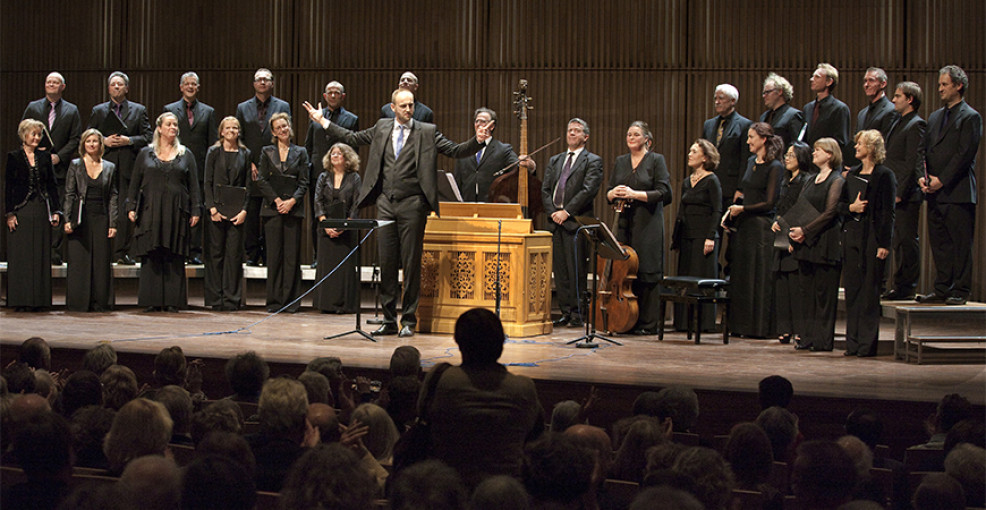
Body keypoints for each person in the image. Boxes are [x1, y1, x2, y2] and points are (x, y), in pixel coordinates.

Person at [303, 88, 485, 337]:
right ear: (393, 108)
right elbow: (352, 137)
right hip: (386, 204)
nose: (408, 110)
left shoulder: (427, 131)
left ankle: (408, 320)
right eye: (403, 106)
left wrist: (477, 140)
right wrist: (323, 121)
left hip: (413, 204)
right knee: (387, 263)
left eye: (411, 105)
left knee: (410, 264)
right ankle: (389, 320)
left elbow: (455, 150)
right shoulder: (382, 127)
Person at [423, 308, 544, 488]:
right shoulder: (523, 388)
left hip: (451, 490)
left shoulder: (441, 379)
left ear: (458, 342)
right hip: (507, 490)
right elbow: (536, 436)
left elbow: (424, 420)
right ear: (501, 343)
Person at [917, 65, 981, 306]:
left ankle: (961, 289)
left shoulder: (970, 117)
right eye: (940, 84)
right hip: (934, 191)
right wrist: (923, 177)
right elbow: (922, 150)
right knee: (940, 243)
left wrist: (941, 180)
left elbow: (964, 155)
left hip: (958, 192)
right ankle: (942, 287)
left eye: (944, 84)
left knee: (960, 243)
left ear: (958, 85)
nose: (940, 89)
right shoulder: (934, 117)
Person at [126, 112, 202, 312]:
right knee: (152, 252)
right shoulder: (145, 153)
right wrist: (131, 206)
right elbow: (135, 183)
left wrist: (196, 209)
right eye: (169, 124)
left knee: (174, 253)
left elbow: (194, 185)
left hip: (176, 210)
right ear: (159, 128)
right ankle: (152, 300)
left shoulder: (185, 154)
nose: (173, 128)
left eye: (175, 124)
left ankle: (172, 301)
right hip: (150, 209)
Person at [606, 121, 672, 334]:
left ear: (647, 140)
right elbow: (609, 191)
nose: (631, 138)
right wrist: (613, 193)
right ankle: (625, 319)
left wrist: (635, 194)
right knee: (623, 271)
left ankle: (648, 323)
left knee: (646, 270)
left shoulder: (656, 160)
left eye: (636, 134)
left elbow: (665, 193)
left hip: (648, 223)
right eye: (629, 134)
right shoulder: (621, 161)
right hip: (623, 222)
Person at [542, 118, 604, 328]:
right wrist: (553, 212)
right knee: (560, 272)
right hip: (555, 222)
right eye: (570, 130)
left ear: (586, 137)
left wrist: (566, 212)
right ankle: (565, 312)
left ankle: (578, 313)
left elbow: (588, 190)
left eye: (577, 131)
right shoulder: (555, 160)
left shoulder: (592, 161)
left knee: (575, 269)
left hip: (575, 223)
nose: (571, 133)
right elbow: (546, 189)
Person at [87, 71, 153, 265]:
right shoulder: (99, 110)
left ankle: (122, 252)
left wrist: (129, 140)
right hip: (102, 166)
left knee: (125, 210)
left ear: (127, 88)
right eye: (113, 84)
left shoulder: (138, 110)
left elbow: (148, 137)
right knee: (102, 207)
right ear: (108, 88)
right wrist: (103, 140)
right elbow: (88, 135)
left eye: (120, 84)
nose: (116, 87)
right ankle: (101, 251)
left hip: (128, 167)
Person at [725, 122, 784, 338]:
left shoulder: (775, 166)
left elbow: (770, 202)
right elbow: (746, 192)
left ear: (763, 139)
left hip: (761, 227)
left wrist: (743, 208)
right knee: (743, 276)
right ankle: (741, 326)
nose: (748, 141)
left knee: (758, 276)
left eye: (751, 137)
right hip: (745, 226)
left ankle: (759, 328)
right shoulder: (751, 162)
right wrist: (734, 211)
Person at [786, 138, 845, 352]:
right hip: (806, 244)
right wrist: (793, 233)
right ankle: (807, 337)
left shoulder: (836, 180)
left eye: (818, 150)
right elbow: (801, 206)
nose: (814, 153)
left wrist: (805, 231)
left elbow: (830, 212)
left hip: (825, 242)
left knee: (824, 295)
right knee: (807, 294)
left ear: (830, 154)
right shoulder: (811, 179)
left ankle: (822, 340)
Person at [841, 130, 895, 357]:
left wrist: (884, 243)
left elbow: (887, 212)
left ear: (872, 148)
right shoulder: (852, 174)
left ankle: (866, 344)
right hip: (852, 235)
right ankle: (852, 343)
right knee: (853, 290)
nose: (856, 147)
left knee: (869, 291)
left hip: (873, 236)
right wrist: (851, 208)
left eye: (860, 144)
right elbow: (840, 206)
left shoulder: (885, 175)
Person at [21, 71, 82, 266]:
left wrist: (59, 157)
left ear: (62, 87)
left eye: (55, 82)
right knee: (37, 208)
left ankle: (54, 252)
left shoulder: (71, 110)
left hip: (59, 168)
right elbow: (23, 131)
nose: (51, 84)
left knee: (58, 209)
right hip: (36, 167)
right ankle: (34, 250)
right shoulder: (33, 107)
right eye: (49, 82)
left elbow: (75, 138)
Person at [235, 68, 291, 267]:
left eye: (266, 79)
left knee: (271, 212)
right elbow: (239, 138)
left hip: (273, 166)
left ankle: (269, 254)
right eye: (259, 79)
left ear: (272, 83)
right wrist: (249, 161)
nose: (262, 82)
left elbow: (285, 135)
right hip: (250, 166)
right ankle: (251, 253)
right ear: (254, 84)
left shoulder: (282, 106)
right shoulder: (243, 108)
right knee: (250, 211)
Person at [6, 119, 62, 311]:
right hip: (21, 210)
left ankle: (39, 300)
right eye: (33, 134)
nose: (37, 138)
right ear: (24, 135)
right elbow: (8, 188)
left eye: (39, 134)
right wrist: (10, 214)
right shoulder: (14, 157)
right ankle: (20, 300)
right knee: (21, 255)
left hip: (40, 209)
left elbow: (52, 186)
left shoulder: (45, 157)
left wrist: (56, 211)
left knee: (39, 253)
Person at [256, 112, 309, 313]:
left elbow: (304, 181)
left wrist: (291, 201)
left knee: (291, 257)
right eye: (278, 128)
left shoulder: (301, 152)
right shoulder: (266, 151)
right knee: (274, 256)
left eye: (284, 126)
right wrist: (278, 201)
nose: (282, 130)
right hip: (273, 209)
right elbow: (261, 179)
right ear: (273, 132)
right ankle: (274, 301)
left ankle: (291, 302)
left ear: (289, 127)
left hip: (293, 210)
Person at [163, 71, 218, 265]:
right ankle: (176, 249)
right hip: (175, 168)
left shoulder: (208, 112)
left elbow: (212, 144)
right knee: (176, 210)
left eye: (193, 84)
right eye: (187, 83)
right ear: (181, 87)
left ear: (198, 87)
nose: (190, 87)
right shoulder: (169, 109)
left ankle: (194, 251)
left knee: (197, 210)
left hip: (200, 170)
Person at [304, 80, 358, 267]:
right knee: (317, 214)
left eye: (337, 92)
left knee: (343, 213)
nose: (333, 95)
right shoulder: (315, 117)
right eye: (330, 92)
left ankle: (341, 255)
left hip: (343, 175)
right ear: (325, 96)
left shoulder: (351, 119)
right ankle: (318, 256)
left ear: (343, 96)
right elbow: (309, 146)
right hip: (318, 173)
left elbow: (353, 147)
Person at [63, 128, 118, 312]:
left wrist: (113, 223)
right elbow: (70, 193)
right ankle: (79, 302)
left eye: (95, 141)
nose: (92, 144)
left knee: (101, 261)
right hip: (81, 217)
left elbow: (113, 196)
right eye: (88, 141)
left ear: (101, 144)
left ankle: (99, 302)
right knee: (80, 261)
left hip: (101, 217)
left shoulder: (109, 167)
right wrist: (67, 219)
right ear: (83, 144)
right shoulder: (76, 165)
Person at [882, 82, 927, 301]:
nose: (893, 99)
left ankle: (907, 285)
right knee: (897, 240)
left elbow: (912, 161)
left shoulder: (916, 124)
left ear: (910, 99)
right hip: (895, 190)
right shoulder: (898, 122)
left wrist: (900, 191)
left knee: (907, 239)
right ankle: (900, 283)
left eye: (898, 96)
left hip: (906, 194)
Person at [672, 139, 721, 333]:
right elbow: (681, 211)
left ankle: (704, 323)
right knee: (686, 279)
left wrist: (711, 236)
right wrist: (677, 238)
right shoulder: (687, 181)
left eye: (694, 152)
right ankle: (684, 323)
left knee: (702, 279)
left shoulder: (712, 180)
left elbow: (717, 210)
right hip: (687, 236)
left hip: (704, 237)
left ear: (705, 157)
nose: (689, 154)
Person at [203, 116, 252, 311]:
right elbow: (207, 182)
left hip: (237, 212)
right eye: (228, 128)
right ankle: (216, 298)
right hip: (217, 211)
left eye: (235, 128)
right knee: (215, 255)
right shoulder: (213, 152)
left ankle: (232, 299)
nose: (232, 131)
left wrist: (244, 210)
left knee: (233, 256)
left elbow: (248, 185)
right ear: (221, 132)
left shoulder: (245, 153)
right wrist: (212, 208)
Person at [770, 142, 812, 344]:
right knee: (781, 285)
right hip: (781, 236)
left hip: (795, 235)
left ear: (801, 158)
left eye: (791, 155)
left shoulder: (806, 181)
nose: (787, 158)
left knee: (796, 287)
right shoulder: (786, 181)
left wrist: (790, 232)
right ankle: (784, 328)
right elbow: (780, 206)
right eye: (786, 155)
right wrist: (775, 221)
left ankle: (799, 329)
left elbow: (804, 209)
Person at [313, 143, 362, 313]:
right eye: (332, 153)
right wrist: (325, 224)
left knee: (344, 269)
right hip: (326, 228)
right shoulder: (323, 176)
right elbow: (317, 201)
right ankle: (326, 304)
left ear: (346, 158)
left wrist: (346, 225)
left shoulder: (354, 178)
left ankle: (343, 305)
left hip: (347, 229)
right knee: (327, 266)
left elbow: (357, 203)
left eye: (339, 153)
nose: (334, 156)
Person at [702, 84, 752, 211]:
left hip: (731, 186)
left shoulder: (744, 125)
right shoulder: (708, 124)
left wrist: (741, 188)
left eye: (721, 98)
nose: (717, 102)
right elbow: (703, 154)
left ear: (732, 101)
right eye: (715, 98)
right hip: (709, 184)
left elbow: (745, 159)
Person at [454, 107, 520, 202]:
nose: (478, 124)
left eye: (483, 121)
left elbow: (518, 170)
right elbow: (458, 181)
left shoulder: (503, 150)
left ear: (492, 126)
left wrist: (530, 166)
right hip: (467, 203)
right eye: (477, 121)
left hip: (492, 203)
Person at [847, 68, 898, 167]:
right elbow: (856, 140)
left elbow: (887, 144)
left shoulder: (891, 110)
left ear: (883, 84)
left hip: (879, 166)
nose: (866, 85)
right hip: (860, 166)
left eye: (871, 80)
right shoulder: (862, 113)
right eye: (865, 81)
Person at [801, 63, 851, 157]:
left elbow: (841, 142)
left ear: (829, 82)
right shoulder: (808, 108)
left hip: (828, 160)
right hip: (809, 160)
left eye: (817, 77)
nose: (811, 79)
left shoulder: (840, 108)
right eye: (812, 76)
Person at [759, 73, 805, 148]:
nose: (764, 96)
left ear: (780, 92)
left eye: (767, 92)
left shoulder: (793, 115)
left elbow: (797, 145)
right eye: (763, 93)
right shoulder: (764, 116)